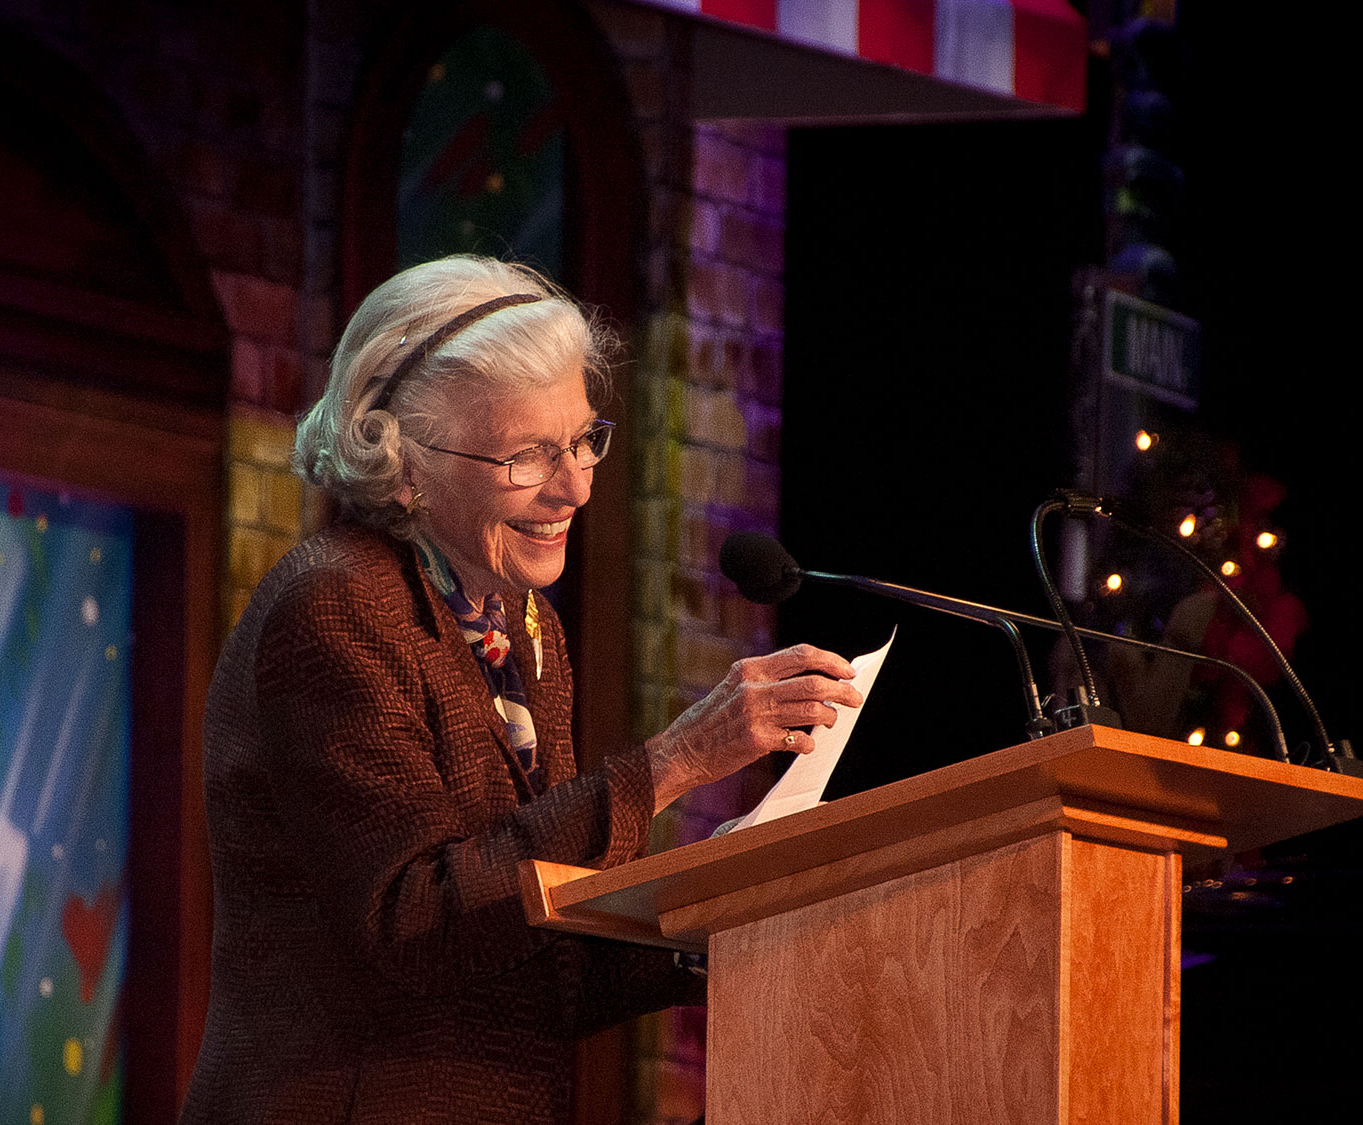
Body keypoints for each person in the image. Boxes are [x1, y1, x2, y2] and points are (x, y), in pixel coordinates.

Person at [180, 255, 862, 1124]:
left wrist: (720, 910)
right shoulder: (337, 604)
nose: (575, 484)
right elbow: (416, 918)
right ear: (402, 459)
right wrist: (676, 760)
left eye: (582, 439)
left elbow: (531, 948)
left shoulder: (523, 627)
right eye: (529, 455)